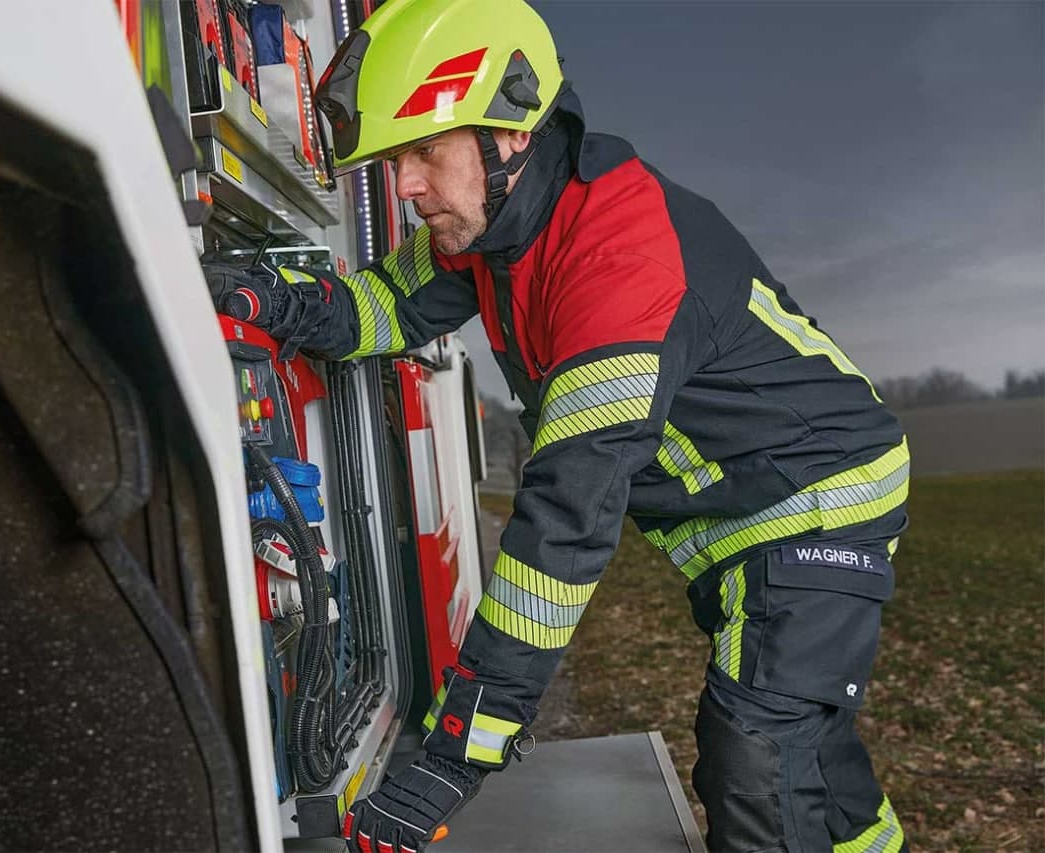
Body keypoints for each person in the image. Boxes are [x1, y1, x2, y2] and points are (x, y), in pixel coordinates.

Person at [205, 1, 910, 850]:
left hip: (817, 496)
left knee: (759, 753)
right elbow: (387, 304)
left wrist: (456, 754)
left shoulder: (618, 265)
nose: (405, 186)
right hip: (748, 508)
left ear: (509, 134)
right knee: (804, 744)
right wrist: (274, 302)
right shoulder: (500, 226)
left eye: (425, 152)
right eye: (396, 160)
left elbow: (563, 529)